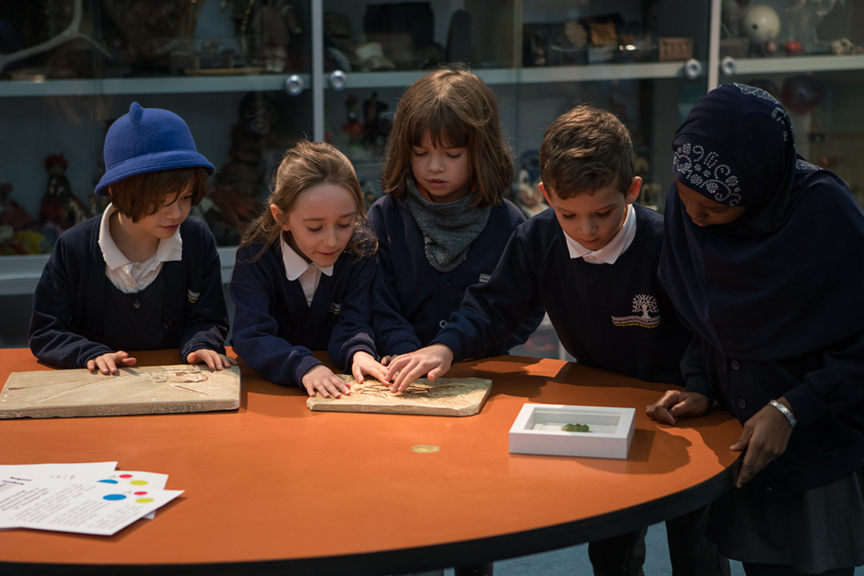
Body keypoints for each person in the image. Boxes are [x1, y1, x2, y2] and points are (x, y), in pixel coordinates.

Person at [386, 104, 729, 576]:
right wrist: (444, 346)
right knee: (611, 544)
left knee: (697, 545)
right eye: (568, 213)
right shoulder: (539, 238)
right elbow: (492, 306)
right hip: (602, 407)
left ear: (632, 191)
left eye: (603, 213)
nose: (587, 230)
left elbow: (706, 326)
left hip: (681, 405)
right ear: (546, 196)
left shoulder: (667, 240)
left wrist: (699, 386)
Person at [647, 83, 864, 576]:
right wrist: (700, 383)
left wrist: (792, 409)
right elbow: (706, 316)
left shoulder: (823, 215)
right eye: (686, 203)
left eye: (716, 211)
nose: (697, 222)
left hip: (816, 449)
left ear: (761, 184)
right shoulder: (696, 197)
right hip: (740, 443)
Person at [29, 102, 234, 374]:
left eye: (186, 198)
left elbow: (209, 318)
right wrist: (88, 353)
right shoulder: (74, 248)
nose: (177, 213)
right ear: (116, 190)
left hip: (178, 386)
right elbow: (45, 330)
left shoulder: (196, 240)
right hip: (96, 391)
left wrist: (202, 344)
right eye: (161, 201)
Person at [369, 67, 543, 364]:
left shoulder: (510, 223)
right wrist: (405, 350)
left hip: (481, 370)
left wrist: (468, 348)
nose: (434, 167)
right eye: (420, 153)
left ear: (480, 151)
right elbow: (375, 303)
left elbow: (523, 307)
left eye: (452, 155)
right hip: (398, 372)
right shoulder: (384, 217)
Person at [229, 141, 387, 399]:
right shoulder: (256, 258)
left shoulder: (360, 252)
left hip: (338, 389)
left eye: (345, 223)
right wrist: (302, 366)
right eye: (315, 228)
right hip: (271, 394)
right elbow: (251, 334)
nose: (332, 241)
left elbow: (355, 322)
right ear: (281, 217)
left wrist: (360, 354)